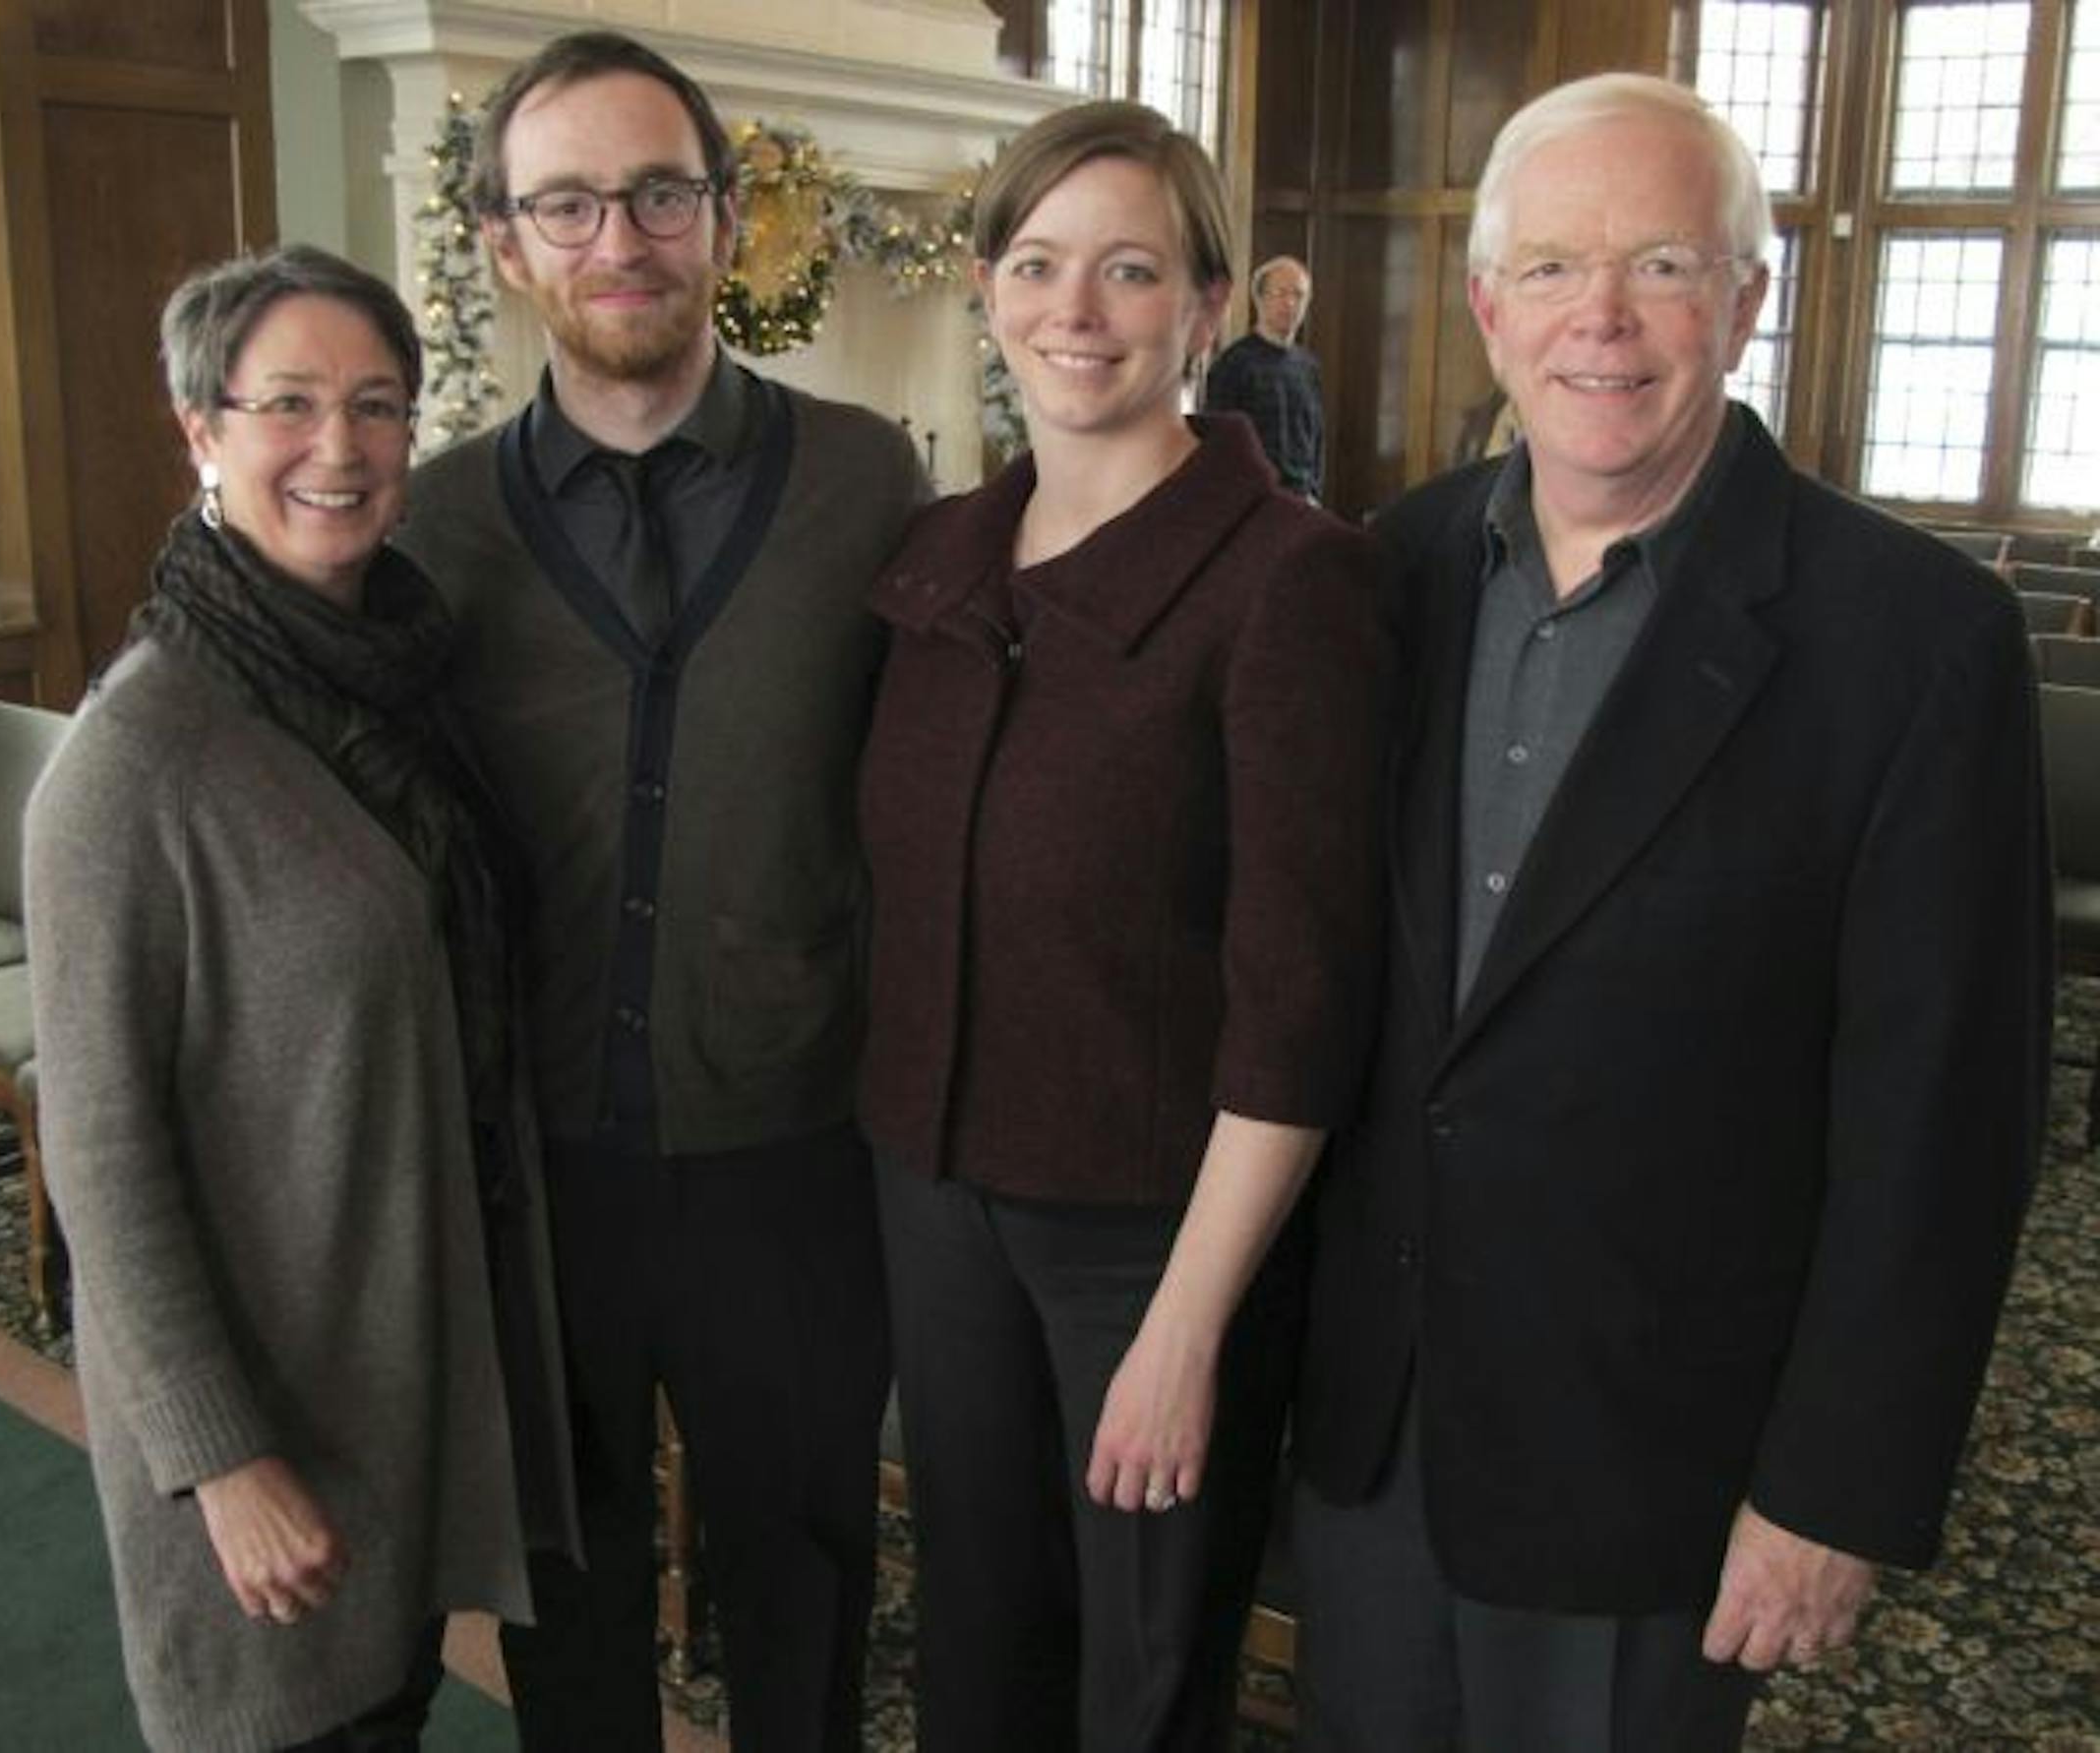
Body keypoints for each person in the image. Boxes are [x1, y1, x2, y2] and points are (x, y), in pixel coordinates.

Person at [1292, 72, 2052, 1752]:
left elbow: (1943, 1124)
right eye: (1554, 269)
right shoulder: (1385, 571)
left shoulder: (1913, 644)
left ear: (1748, 301)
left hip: (1661, 1465)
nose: (1604, 322)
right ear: (1490, 307)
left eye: (1663, 265)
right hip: (1377, 1432)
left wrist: (1833, 1485)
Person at [394, 30, 928, 1753]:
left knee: (808, 1580)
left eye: (656, 192)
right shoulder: (431, 525)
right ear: (502, 242)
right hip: (534, 1164)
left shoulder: (867, 480)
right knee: (569, 1595)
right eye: (566, 202)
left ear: (722, 215)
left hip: (795, 1153)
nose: (616, 236)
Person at [859, 101, 1391, 1752]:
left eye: (1131, 268)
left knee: (1144, 1677)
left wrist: (1185, 1321)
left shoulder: (1290, 579)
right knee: (975, 1633)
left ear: (1210, 310)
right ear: (985, 284)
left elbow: (1300, 998)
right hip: (936, 1193)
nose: (1075, 309)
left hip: (1153, 1240)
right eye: (1037, 261)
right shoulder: (939, 552)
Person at [24, 244, 577, 1753]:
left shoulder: (399, 676)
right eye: (288, 404)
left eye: (377, 405)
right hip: (259, 1425)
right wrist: (222, 1460)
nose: (339, 447)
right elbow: (100, 1154)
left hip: (383, 1379)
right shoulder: (137, 760)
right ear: (202, 428)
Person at [1203, 254, 1324, 499]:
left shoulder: (1308, 367)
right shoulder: (1233, 364)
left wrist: (1314, 492)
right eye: (1280, 293)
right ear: (1259, 298)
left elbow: (1317, 440)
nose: (1290, 303)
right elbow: (1218, 444)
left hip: (1302, 499)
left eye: (1298, 295)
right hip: (1253, 499)